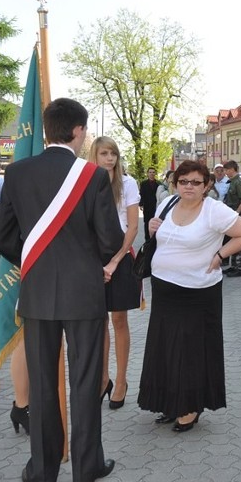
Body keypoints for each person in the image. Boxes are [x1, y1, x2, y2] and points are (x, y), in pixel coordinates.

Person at [0, 97, 124, 482]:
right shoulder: (93, 177)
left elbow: (0, 237)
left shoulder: (16, 173)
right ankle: (86, 469)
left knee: (43, 382)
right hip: (84, 294)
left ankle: (42, 471)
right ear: (79, 131)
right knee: (85, 382)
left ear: (47, 130)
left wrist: (36, 259)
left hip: (36, 294)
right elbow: (110, 240)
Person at [137, 160, 241, 432]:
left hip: (198, 292)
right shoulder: (167, 204)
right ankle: (168, 403)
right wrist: (154, 228)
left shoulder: (213, 210)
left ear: (206, 185)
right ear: (175, 183)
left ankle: (190, 407)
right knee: (165, 348)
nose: (189, 187)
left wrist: (220, 255)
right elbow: (161, 239)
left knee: (190, 352)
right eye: (183, 181)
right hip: (164, 288)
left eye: (195, 182)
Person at [89, 136, 141, 410]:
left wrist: (115, 261)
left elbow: (132, 227)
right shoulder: (86, 182)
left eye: (114, 154)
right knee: (98, 322)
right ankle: (102, 378)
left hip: (121, 256)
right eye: (105, 153)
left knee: (119, 319)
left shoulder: (128, 183)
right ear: (94, 156)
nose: (110, 158)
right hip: (93, 258)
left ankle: (121, 381)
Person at [221, 160, 241, 277]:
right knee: (234, 240)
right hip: (233, 215)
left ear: (232, 169)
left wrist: (236, 214)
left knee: (240, 241)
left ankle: (240, 268)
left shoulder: (238, 182)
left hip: (238, 215)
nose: (225, 172)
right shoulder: (232, 182)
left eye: (227, 170)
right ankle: (234, 266)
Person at [139, 167, 159, 240]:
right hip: (147, 207)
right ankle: (147, 241)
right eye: (150, 172)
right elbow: (141, 194)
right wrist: (141, 204)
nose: (152, 174)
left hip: (156, 207)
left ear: (155, 173)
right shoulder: (143, 184)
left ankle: (155, 239)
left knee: (156, 224)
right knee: (147, 224)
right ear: (147, 173)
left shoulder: (158, 184)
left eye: (153, 172)